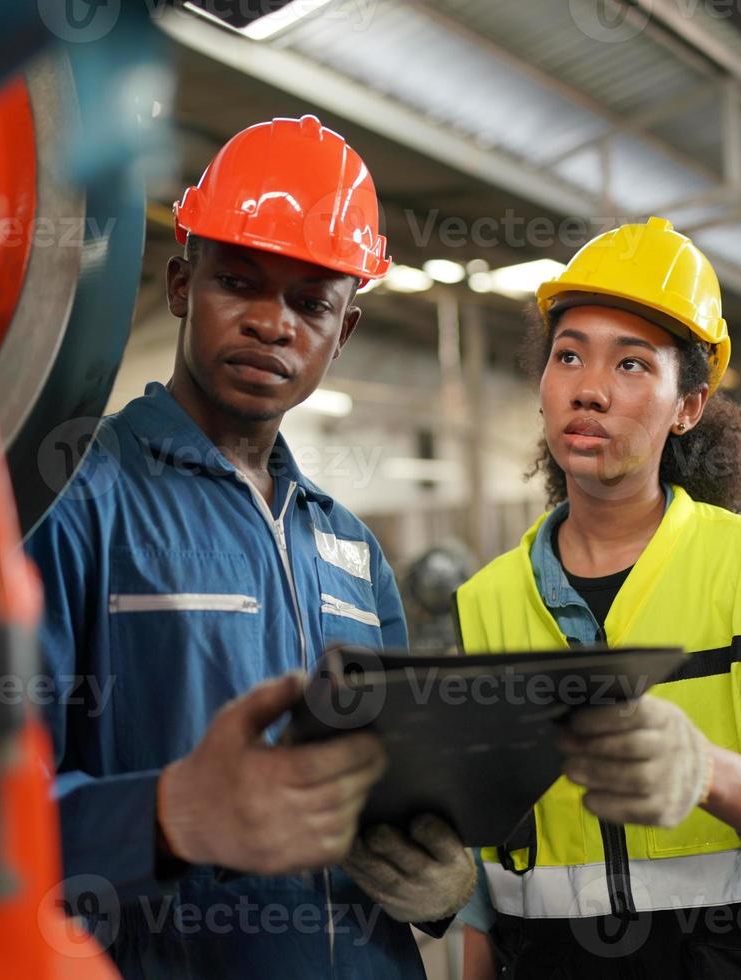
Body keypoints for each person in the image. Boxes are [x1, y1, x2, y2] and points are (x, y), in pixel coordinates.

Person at [26, 115, 474, 979]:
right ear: (182, 284)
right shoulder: (79, 499)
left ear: (341, 333)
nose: (275, 325)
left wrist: (445, 882)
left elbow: (399, 781)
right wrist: (167, 815)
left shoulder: (352, 549)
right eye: (242, 282)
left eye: (311, 303)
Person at [452, 218, 741, 978]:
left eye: (632, 365)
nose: (590, 388)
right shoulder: (486, 602)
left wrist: (705, 772)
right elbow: (491, 867)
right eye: (570, 354)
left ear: (688, 405)